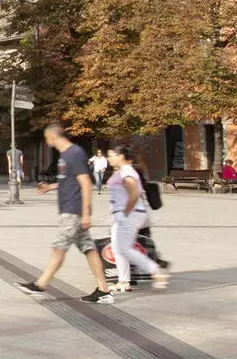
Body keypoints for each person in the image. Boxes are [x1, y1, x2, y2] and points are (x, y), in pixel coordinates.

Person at [19, 125, 113, 302]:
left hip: (73, 210)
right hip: (70, 209)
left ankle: (41, 284)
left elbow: (85, 182)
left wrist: (86, 213)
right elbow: (69, 180)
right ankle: (104, 291)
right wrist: (51, 186)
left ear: (54, 136)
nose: (47, 141)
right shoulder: (65, 155)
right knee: (89, 249)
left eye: (47, 138)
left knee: (58, 247)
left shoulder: (74, 153)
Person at [104, 144, 166, 291]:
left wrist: (125, 212)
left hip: (129, 214)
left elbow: (134, 193)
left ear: (121, 156)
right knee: (118, 249)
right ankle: (124, 282)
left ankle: (155, 270)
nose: (109, 158)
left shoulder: (127, 171)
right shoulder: (122, 170)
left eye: (111, 155)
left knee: (123, 248)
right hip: (125, 214)